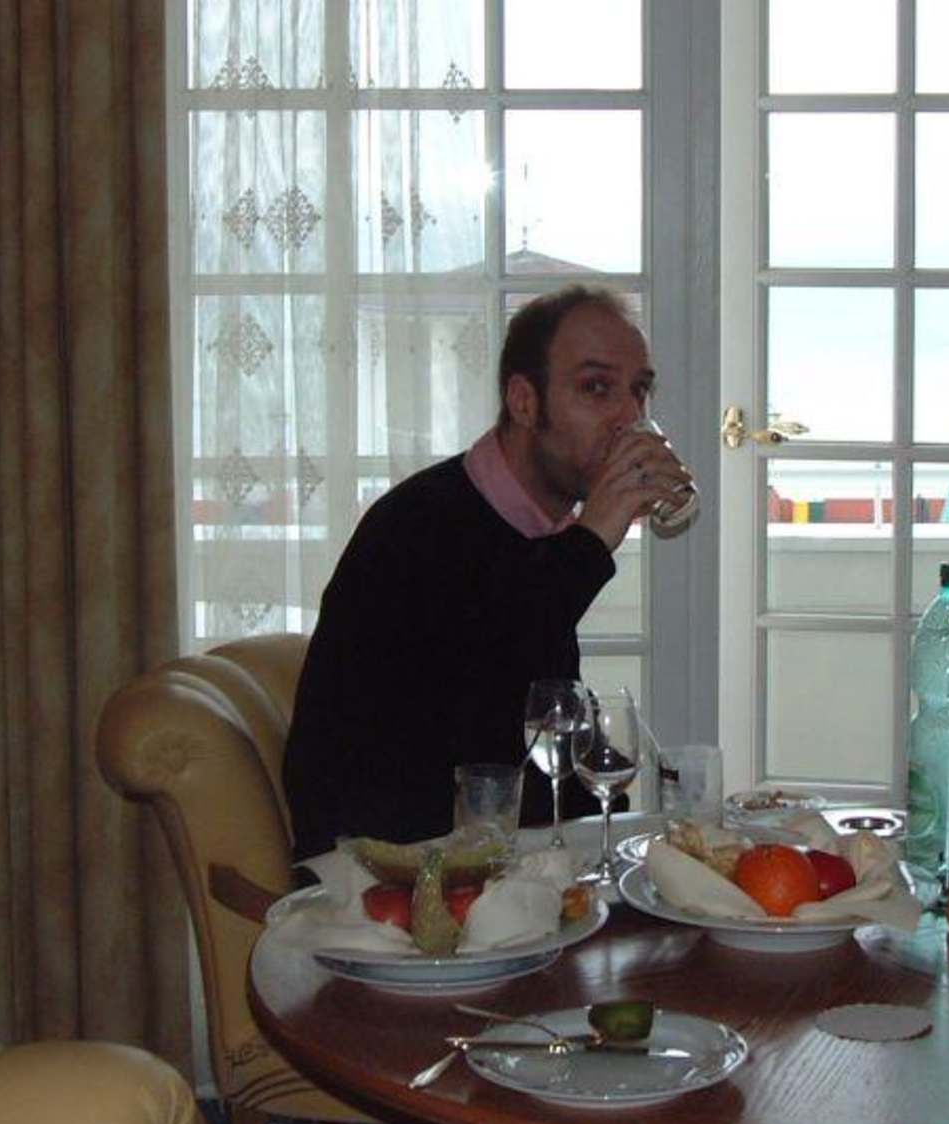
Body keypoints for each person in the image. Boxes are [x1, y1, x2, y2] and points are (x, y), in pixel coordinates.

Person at [283, 284, 692, 858]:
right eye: (596, 387)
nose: (630, 417)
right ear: (524, 402)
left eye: (639, 391)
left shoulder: (538, 538)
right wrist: (593, 536)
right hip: (387, 878)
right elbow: (493, 660)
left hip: (492, 859)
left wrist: (611, 840)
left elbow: (536, 719)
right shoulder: (421, 526)